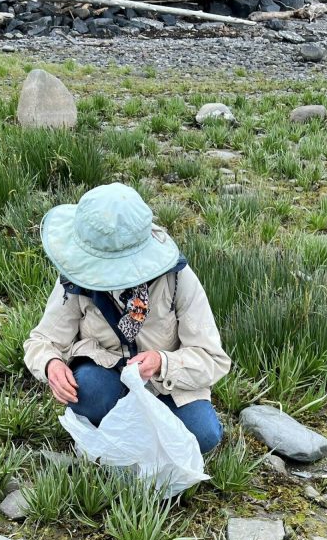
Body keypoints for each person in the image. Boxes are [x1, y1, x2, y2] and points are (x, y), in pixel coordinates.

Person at [24, 182, 230, 454]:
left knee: (203, 435)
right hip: (106, 378)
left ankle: (130, 441)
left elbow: (213, 359)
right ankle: (126, 440)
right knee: (87, 392)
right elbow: (42, 341)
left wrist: (162, 363)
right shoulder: (76, 275)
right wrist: (51, 365)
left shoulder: (178, 277)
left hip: (165, 387)